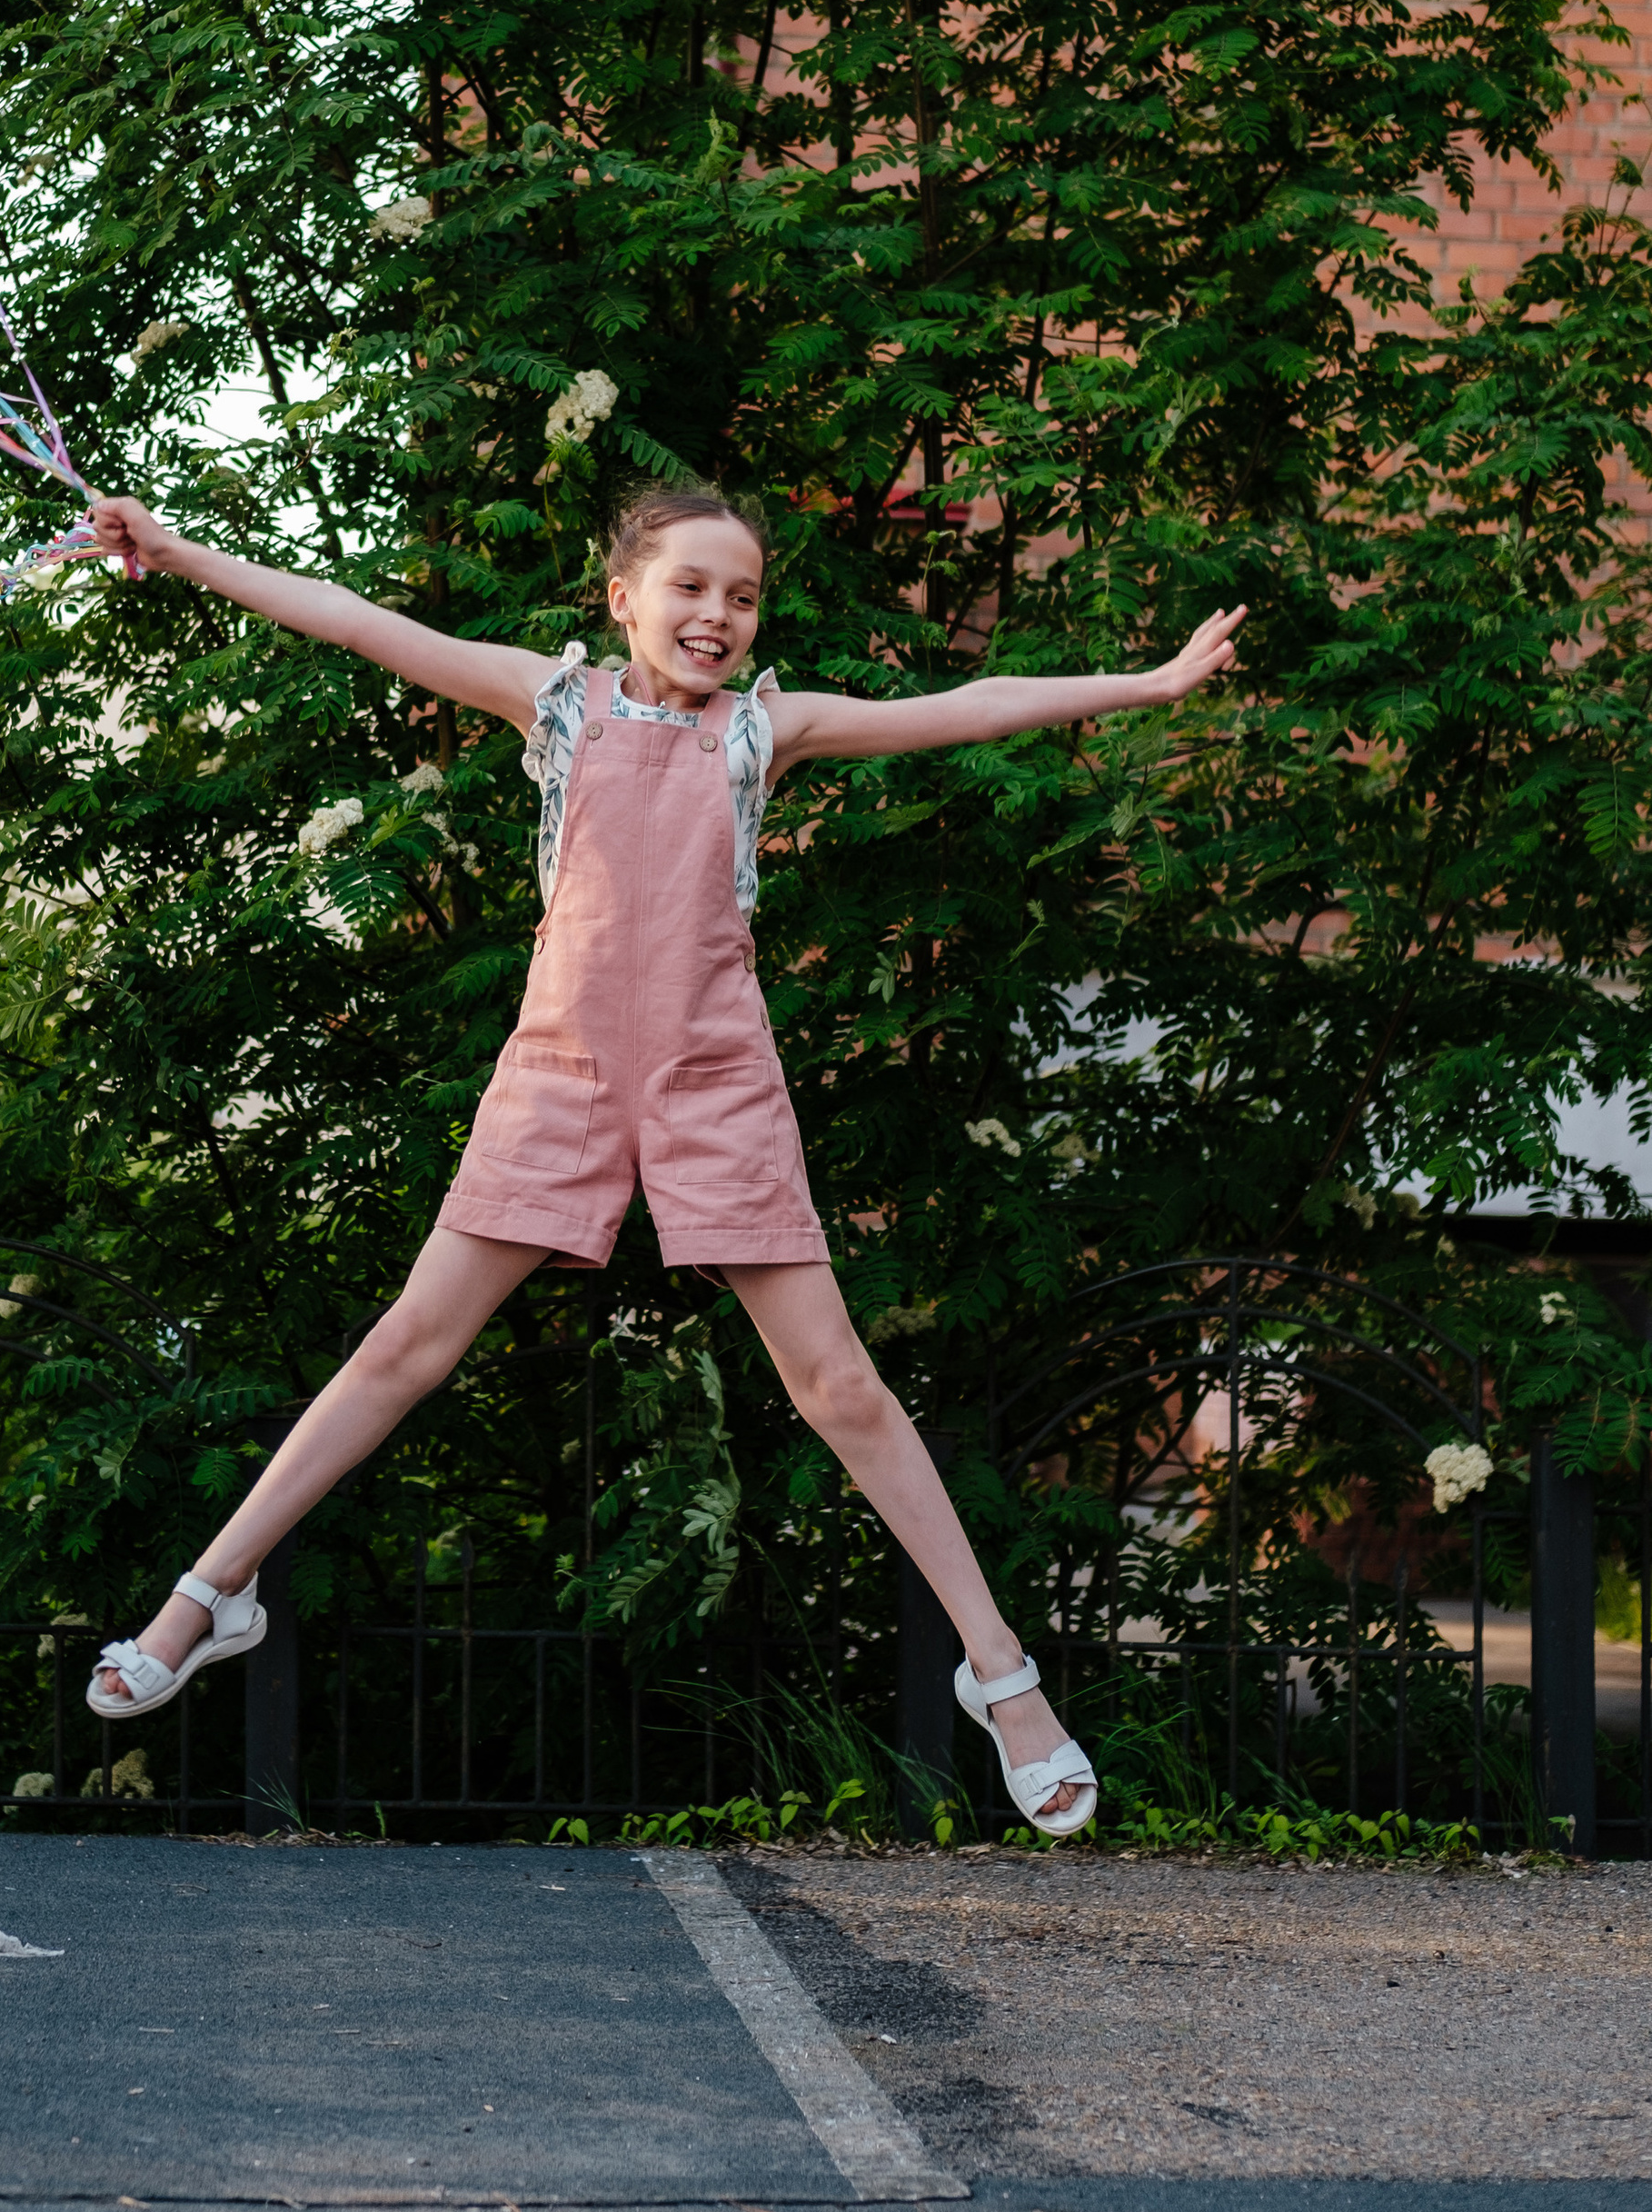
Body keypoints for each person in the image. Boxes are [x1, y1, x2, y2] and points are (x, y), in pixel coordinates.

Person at [80, 483, 1243, 1834]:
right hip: (559, 1077)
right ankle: (210, 1596)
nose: (717, 616)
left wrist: (1152, 685)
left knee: (841, 1388)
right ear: (623, 597)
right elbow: (353, 617)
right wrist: (179, 552)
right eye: (690, 587)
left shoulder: (766, 731)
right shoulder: (555, 703)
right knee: (406, 1344)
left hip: (715, 1087)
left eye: (741, 597)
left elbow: (972, 704)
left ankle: (1004, 1677)